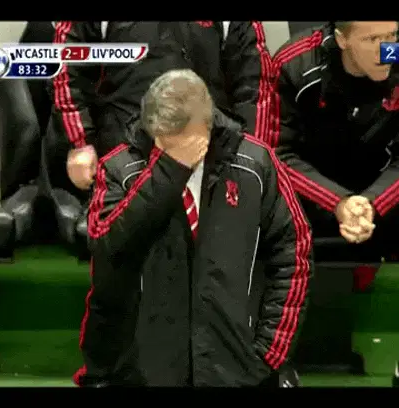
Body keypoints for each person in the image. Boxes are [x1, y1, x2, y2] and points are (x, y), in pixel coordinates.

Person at [73, 69, 313, 387]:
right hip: (141, 372)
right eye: (163, 144)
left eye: (184, 144)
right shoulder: (120, 169)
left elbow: (294, 253)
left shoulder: (256, 165)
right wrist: (168, 172)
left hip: (236, 367)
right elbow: (106, 246)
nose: (174, 153)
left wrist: (268, 352)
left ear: (207, 126)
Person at [269, 21, 399, 387]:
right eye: (372, 39)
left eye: (390, 36)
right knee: (260, 214)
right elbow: (276, 153)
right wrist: (337, 201)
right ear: (341, 39)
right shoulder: (294, 63)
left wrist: (371, 202)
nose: (386, 49)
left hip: (383, 193)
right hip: (312, 193)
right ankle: (277, 361)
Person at [50, 21, 272, 191]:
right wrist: (80, 143)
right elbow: (66, 65)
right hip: (125, 156)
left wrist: (252, 158)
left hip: (210, 159)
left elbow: (254, 85)